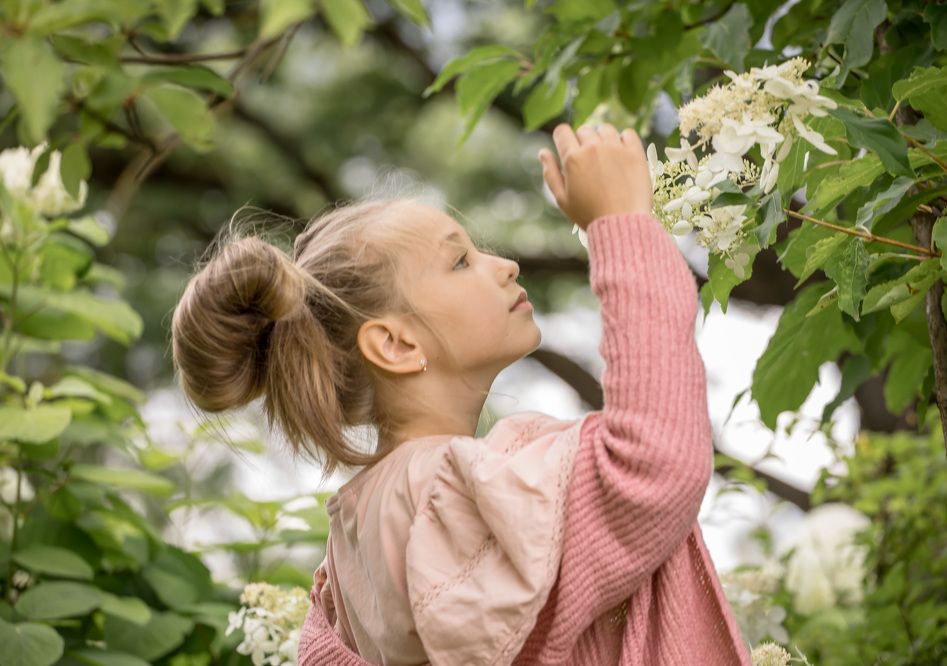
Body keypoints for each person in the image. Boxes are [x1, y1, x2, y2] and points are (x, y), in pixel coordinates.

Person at [170, 122, 752, 665]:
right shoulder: (435, 496)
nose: (505, 265)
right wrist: (622, 225)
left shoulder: (359, 546)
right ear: (395, 345)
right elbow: (650, 465)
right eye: (460, 260)